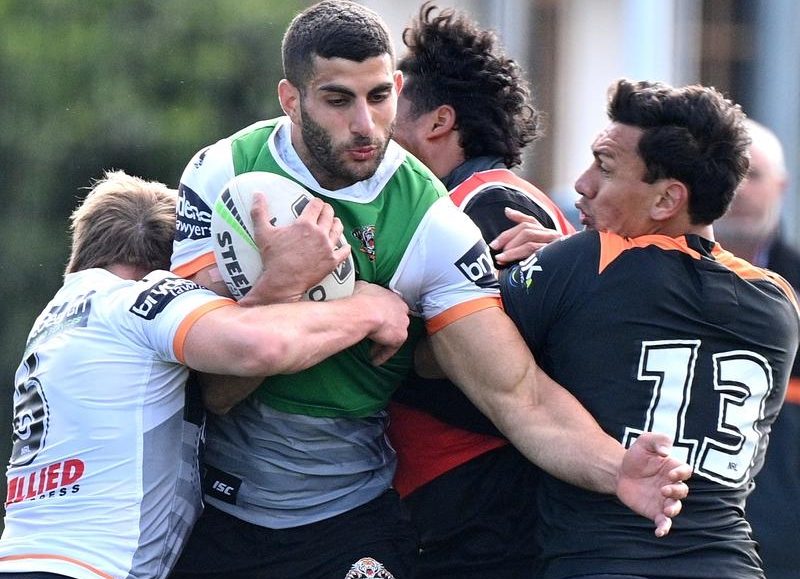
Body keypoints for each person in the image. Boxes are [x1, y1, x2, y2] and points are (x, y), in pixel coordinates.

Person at [169, 3, 690, 578]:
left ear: (398, 88)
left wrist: (617, 469)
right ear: (291, 99)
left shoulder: (433, 223)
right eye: (338, 100)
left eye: (378, 97)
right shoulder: (223, 170)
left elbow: (517, 393)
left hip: (345, 520)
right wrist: (301, 290)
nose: (365, 124)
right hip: (207, 506)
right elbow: (210, 388)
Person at [0, 170, 411, 579]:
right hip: (91, 569)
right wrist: (365, 308)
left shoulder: (54, 319)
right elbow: (260, 346)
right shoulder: (136, 299)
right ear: (166, 266)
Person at [499, 79, 800, 578]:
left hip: (605, 563)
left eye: (605, 167)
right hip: (732, 563)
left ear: (665, 201)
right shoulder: (779, 301)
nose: (583, 184)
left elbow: (447, 345)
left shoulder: (586, 262)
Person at [387, 4, 572, 576]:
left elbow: (498, 361)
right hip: (470, 498)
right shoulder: (481, 197)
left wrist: (386, 342)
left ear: (438, 122)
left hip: (481, 498)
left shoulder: (488, 202)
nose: (373, 126)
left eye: (388, 105)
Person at [714, 119, 800, 579]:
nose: (742, 190)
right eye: (733, 172)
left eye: (756, 176)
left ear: (781, 186)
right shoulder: (646, 282)